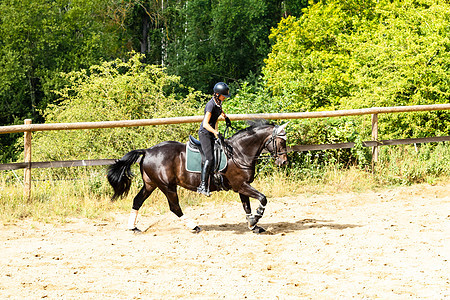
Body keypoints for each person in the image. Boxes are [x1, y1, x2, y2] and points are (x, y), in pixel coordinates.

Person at [197, 82, 231, 196]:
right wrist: (216, 132)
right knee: (210, 158)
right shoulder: (210, 105)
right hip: (205, 133)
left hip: (211, 133)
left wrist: (225, 117)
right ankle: (202, 185)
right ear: (217, 94)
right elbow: (206, 124)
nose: (224, 98)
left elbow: (217, 115)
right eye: (223, 96)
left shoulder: (218, 102)